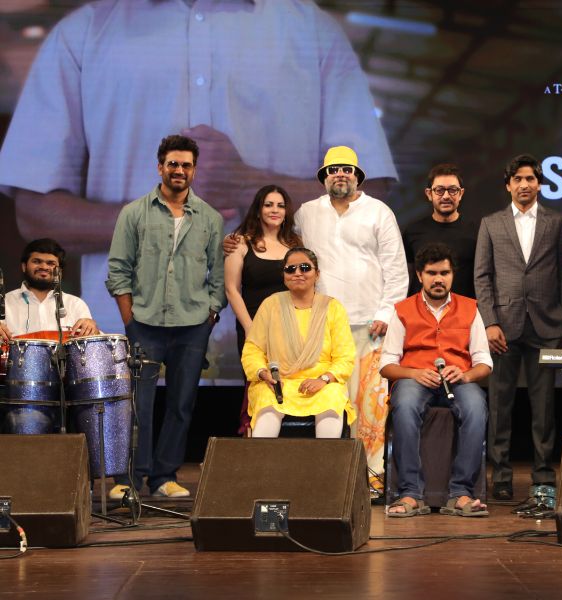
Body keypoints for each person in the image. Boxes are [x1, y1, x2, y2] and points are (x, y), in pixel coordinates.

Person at [0, 1, 396, 375]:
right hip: (121, 355)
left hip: (292, 349)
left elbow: (370, 195)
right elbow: (35, 212)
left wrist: (245, 183)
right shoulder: (82, 34)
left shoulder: (315, 32)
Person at [105, 135, 225, 499]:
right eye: (173, 163)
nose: (179, 170)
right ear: (160, 167)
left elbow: (218, 275)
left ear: (194, 170)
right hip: (144, 323)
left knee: (181, 405)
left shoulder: (210, 217)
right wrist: (129, 319)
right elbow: (118, 269)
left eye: (186, 165)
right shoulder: (134, 213)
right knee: (137, 405)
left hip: (192, 326)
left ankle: (164, 478)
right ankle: (129, 480)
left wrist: (210, 314)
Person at [294, 145, 408, 496]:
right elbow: (284, 247)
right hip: (323, 327)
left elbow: (396, 268)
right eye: (333, 170)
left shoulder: (379, 211)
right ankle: (328, 481)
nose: (340, 174)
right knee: (327, 404)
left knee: (370, 410)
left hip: (370, 326)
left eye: (347, 169)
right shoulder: (306, 213)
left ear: (358, 176)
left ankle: (371, 479)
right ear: (324, 177)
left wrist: (385, 313)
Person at [474, 154, 562, 505]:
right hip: (503, 327)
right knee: (500, 405)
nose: (524, 184)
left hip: (546, 326)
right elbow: (482, 277)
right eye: (518, 179)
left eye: (530, 178)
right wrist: (490, 322)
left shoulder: (557, 222)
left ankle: (543, 476)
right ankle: (500, 476)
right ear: (508, 185)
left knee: (544, 408)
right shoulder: (491, 223)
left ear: (540, 184)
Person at [380, 243, 491, 517]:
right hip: (415, 379)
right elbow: (386, 365)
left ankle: (461, 493)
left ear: (452, 275)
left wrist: (465, 375)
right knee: (405, 404)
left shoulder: (470, 308)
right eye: (432, 273)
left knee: (476, 406)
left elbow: (484, 362)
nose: (438, 279)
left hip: (458, 379)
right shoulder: (403, 310)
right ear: (419, 275)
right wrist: (413, 373)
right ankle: (410, 493)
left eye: (444, 273)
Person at [242, 248, 355, 437]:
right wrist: (263, 373)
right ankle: (261, 458)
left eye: (305, 268)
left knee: (332, 397)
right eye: (290, 269)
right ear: (284, 275)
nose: (297, 273)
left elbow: (345, 357)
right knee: (267, 400)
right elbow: (253, 349)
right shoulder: (270, 305)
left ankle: (325, 457)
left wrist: (323, 380)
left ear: (317, 274)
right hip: (278, 383)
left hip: (322, 383)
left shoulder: (333, 307)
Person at [225, 185, 302, 434]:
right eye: (268, 205)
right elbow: (231, 289)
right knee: (257, 383)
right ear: (258, 210)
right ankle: (253, 439)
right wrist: (250, 328)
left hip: (289, 329)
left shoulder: (295, 244)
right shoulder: (241, 243)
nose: (274, 210)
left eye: (280, 205)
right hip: (253, 328)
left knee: (285, 386)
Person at [402, 164, 479, 298]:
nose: (446, 196)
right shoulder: (412, 231)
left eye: (452, 190)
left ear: (461, 194)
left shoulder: (477, 231)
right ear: (429, 194)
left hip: (465, 309)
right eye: (439, 190)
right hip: (420, 309)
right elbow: (403, 277)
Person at [0, 238, 98, 343]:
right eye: (37, 261)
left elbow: (92, 346)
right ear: (24, 267)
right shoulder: (4, 302)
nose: (43, 267)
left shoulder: (75, 304)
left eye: (50, 263)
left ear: (60, 272)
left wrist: (93, 331)